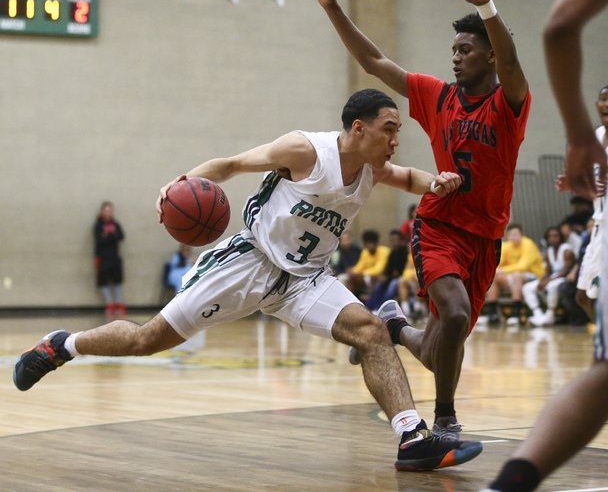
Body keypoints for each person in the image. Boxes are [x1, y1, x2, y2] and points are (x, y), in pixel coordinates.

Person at [13, 89, 484, 472]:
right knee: (147, 340)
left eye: (397, 131)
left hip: (304, 280)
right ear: (358, 129)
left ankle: (411, 438)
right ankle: (63, 345)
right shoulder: (304, 150)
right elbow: (231, 165)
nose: (395, 139)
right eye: (390, 129)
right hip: (248, 263)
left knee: (371, 331)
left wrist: (436, 182)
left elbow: (406, 177)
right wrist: (178, 184)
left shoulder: (373, 169)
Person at [306, 0, 531, 439]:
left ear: (489, 55)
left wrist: (487, 6)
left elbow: (512, 61)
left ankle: (393, 328)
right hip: (439, 225)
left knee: (437, 347)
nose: (455, 56)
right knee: (452, 314)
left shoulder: (508, 102)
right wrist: (332, 8)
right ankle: (446, 419)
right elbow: (372, 60)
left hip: (485, 237)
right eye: (452, 50)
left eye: (466, 50)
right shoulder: (437, 96)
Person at [483, 0, 608, 489]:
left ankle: (510, 484)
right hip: (607, 216)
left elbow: (559, 27)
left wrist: (574, 138)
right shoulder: (604, 135)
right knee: (583, 298)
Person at [558, 84, 608, 322]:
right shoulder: (596, 137)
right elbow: (591, 183)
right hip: (599, 227)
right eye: (604, 99)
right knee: (583, 297)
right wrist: (574, 184)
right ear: (597, 105)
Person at [485, 224, 545, 325]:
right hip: (512, 275)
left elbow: (523, 266)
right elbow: (499, 264)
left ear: (521, 235)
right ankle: (493, 311)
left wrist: (503, 270)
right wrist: (499, 270)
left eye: (515, 234)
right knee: (493, 276)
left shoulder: (528, 244)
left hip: (533, 275)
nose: (513, 237)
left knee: (516, 275)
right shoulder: (506, 245)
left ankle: (517, 311)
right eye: (510, 235)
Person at [523, 226, 575, 327]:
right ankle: (538, 314)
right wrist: (543, 280)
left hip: (566, 278)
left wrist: (548, 281)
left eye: (556, 236)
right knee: (527, 288)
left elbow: (565, 271)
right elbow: (548, 271)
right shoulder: (549, 251)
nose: (553, 239)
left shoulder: (567, 250)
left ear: (561, 237)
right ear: (547, 238)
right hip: (554, 277)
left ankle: (550, 314)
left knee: (551, 286)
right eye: (550, 237)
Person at [93, 201, 126, 319]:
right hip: (102, 258)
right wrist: (110, 236)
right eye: (106, 211)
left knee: (117, 281)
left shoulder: (115, 224)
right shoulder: (98, 225)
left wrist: (108, 235)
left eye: (110, 211)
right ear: (102, 212)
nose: (108, 213)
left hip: (114, 257)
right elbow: (99, 240)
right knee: (103, 281)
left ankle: (119, 303)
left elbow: (121, 236)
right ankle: (109, 304)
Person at [365, 229, 409, 311]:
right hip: (393, 277)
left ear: (401, 241)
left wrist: (388, 278)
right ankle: (369, 306)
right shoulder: (392, 253)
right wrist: (384, 277)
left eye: (395, 240)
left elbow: (403, 272)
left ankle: (381, 308)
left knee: (392, 284)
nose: (393, 243)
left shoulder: (405, 252)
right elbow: (389, 269)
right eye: (392, 241)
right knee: (379, 284)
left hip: (403, 279)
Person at [344, 229, 390, 299]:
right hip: (366, 276)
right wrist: (352, 272)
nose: (369, 246)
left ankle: (372, 301)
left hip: (380, 277)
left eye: (371, 243)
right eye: (367, 244)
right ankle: (350, 300)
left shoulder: (384, 251)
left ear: (376, 243)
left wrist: (361, 273)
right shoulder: (365, 252)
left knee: (373, 278)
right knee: (350, 279)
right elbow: (359, 266)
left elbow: (379, 269)